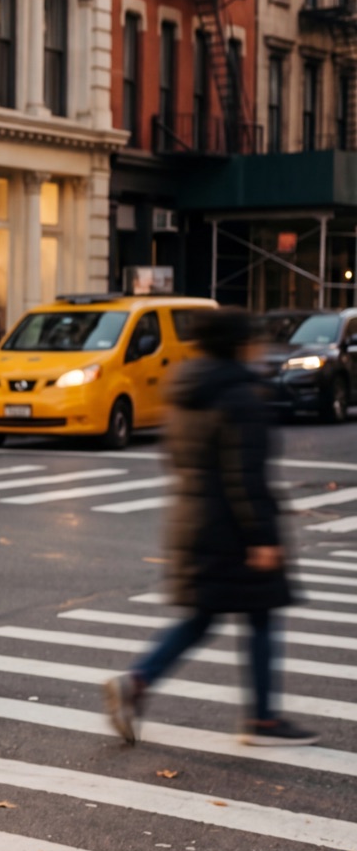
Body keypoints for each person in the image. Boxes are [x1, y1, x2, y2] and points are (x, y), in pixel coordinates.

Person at [105, 308, 315, 746]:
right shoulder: (240, 397)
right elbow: (246, 475)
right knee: (259, 616)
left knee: (202, 618)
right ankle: (262, 720)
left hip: (193, 522)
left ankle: (138, 682)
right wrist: (261, 536)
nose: (260, 347)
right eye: (254, 339)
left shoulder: (186, 391)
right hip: (233, 530)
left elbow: (179, 459)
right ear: (239, 345)